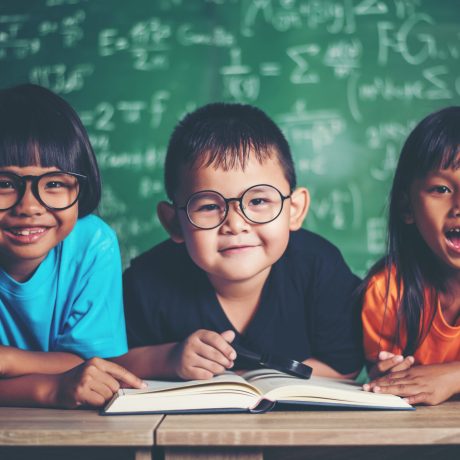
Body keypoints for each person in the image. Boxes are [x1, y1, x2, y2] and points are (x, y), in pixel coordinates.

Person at [117, 102, 363, 381]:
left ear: (294, 210)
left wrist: (255, 377)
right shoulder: (146, 282)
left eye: (258, 201)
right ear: (173, 222)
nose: (235, 224)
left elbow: (346, 368)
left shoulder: (320, 268)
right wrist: (167, 359)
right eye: (209, 207)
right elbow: (107, 362)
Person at [0, 84, 144, 409]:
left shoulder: (92, 243)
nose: (29, 206)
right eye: (5, 184)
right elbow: (72, 367)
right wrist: (47, 389)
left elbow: (90, 362)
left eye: (53, 184)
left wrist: (7, 361)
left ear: (81, 185)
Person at [361, 106, 460, 405]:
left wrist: (452, 376)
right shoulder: (386, 292)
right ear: (407, 208)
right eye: (441, 188)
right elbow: (381, 378)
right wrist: (385, 375)